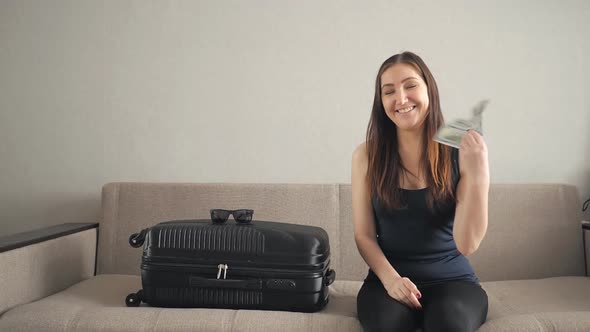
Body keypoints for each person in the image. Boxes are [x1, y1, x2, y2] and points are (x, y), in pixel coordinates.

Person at [352, 51, 489, 332]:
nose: (400, 99)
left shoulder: (460, 151)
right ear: (381, 102)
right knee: (387, 326)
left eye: (410, 85)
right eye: (389, 91)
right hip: (387, 282)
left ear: (429, 89)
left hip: (453, 282)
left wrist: (478, 175)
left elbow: (467, 245)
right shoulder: (366, 155)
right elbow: (364, 235)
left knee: (449, 324)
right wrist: (392, 281)